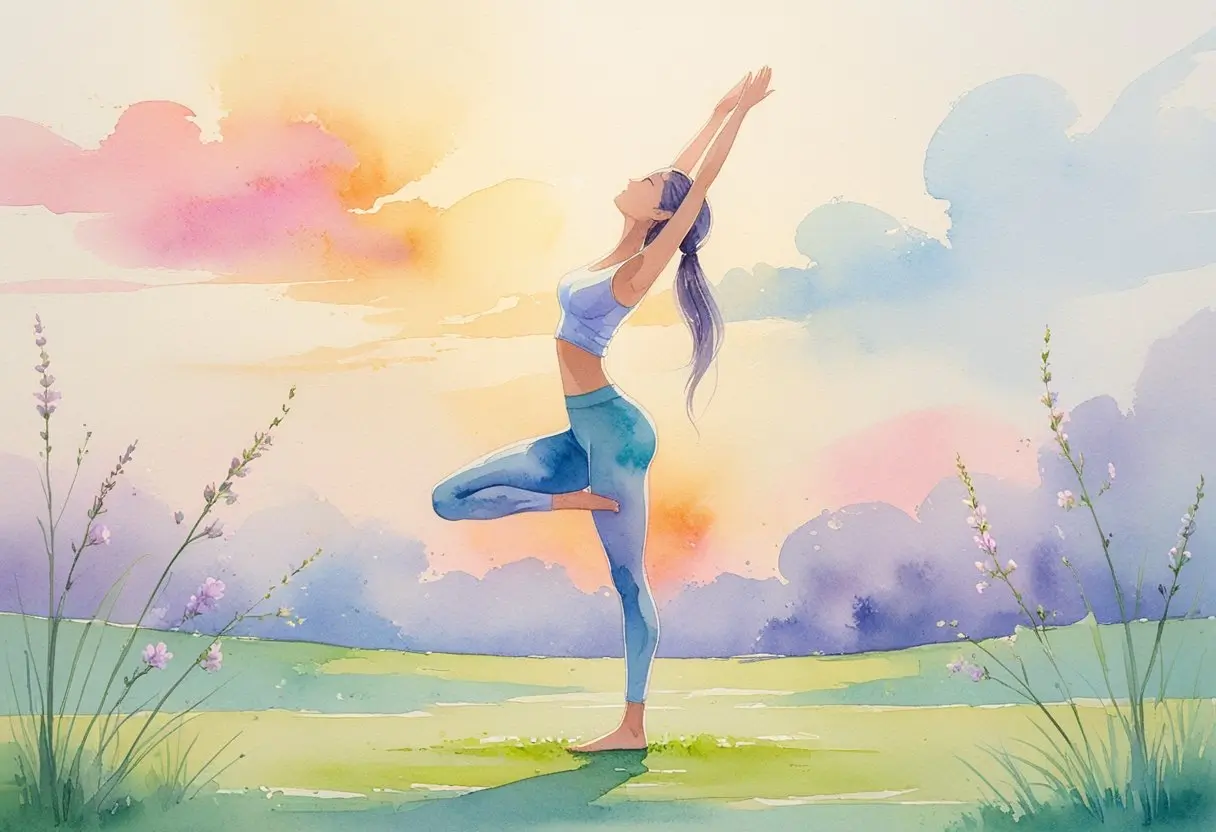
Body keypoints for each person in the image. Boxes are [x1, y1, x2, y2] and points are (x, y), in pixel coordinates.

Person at [431, 68, 775, 752]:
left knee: (628, 581)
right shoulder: (617, 252)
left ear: (658, 217)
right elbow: (678, 178)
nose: (638, 180)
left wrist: (739, 118)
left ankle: (632, 728)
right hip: (579, 437)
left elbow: (694, 188)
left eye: (648, 187)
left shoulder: (638, 271)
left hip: (614, 437)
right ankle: (572, 505)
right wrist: (714, 108)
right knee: (450, 497)